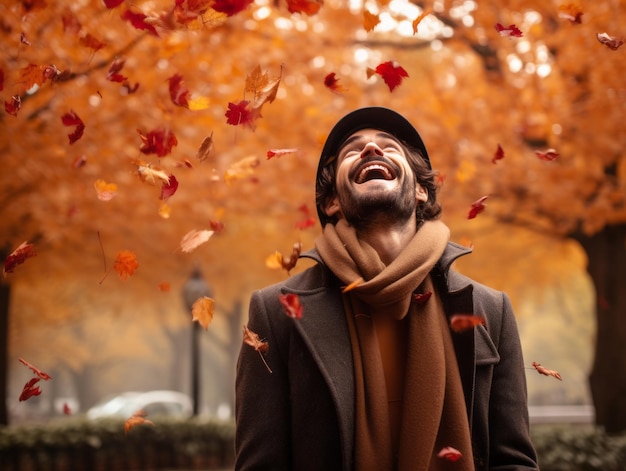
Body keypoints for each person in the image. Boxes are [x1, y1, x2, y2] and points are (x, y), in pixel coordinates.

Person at [235, 107, 539, 471]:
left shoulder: (491, 311)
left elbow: (514, 461)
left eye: (389, 146)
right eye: (352, 149)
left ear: (421, 192)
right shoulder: (276, 311)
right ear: (332, 202)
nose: (370, 150)